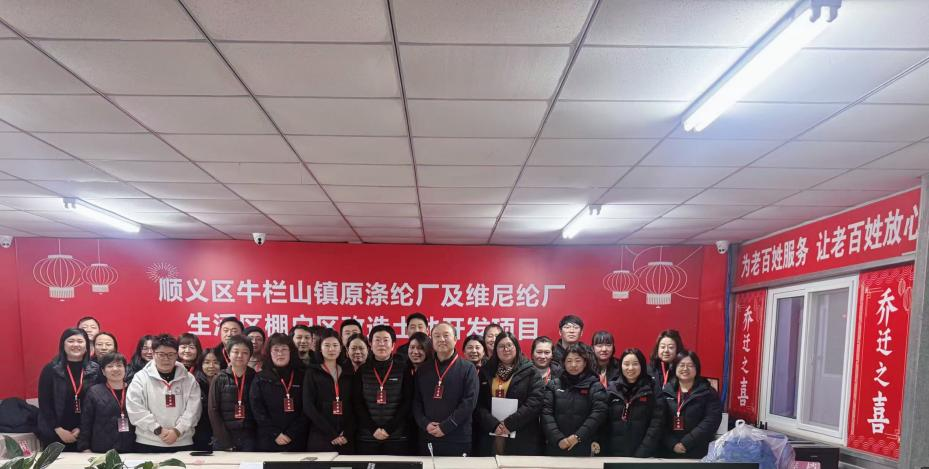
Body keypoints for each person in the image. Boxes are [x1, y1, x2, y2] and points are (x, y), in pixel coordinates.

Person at [412, 322, 479, 456]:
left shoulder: (468, 368)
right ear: (432, 341)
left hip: (458, 438)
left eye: (446, 335)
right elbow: (416, 402)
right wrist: (425, 424)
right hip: (428, 436)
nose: (441, 339)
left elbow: (469, 402)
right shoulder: (423, 369)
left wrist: (446, 426)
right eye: (437, 336)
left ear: (455, 339)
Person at [126, 334, 201, 453]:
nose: (166, 359)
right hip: (148, 442)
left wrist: (177, 431)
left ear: (177, 354)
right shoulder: (140, 378)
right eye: (161, 354)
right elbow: (135, 409)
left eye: (171, 354)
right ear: (153, 353)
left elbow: (194, 410)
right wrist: (158, 430)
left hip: (182, 442)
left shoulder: (189, 379)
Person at [475, 331, 544, 456]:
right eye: (501, 346)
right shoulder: (486, 371)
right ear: (496, 350)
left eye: (509, 345)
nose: (506, 349)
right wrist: (493, 424)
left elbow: (535, 402)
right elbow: (478, 403)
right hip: (491, 433)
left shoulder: (531, 371)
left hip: (521, 434)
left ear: (516, 347)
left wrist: (509, 424)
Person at [352, 325, 414, 455]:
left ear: (393, 345)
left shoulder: (403, 369)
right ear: (370, 344)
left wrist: (389, 429)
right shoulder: (362, 370)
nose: (381, 344)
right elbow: (357, 403)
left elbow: (407, 402)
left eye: (386, 340)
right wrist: (373, 429)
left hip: (397, 437)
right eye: (377, 340)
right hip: (367, 438)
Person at [37, 328, 100, 451]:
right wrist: (58, 429)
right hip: (55, 432)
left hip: (87, 432)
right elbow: (45, 403)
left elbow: (98, 404)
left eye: (80, 341)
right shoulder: (51, 369)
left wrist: (81, 428)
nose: (75, 344)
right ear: (63, 345)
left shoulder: (95, 370)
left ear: (87, 346)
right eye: (71, 341)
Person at [541, 342, 607, 457]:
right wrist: (558, 439)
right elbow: (546, 413)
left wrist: (578, 437)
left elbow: (598, 413)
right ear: (564, 363)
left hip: (585, 446)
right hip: (555, 446)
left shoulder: (595, 386)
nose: (573, 365)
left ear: (585, 362)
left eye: (578, 360)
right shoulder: (553, 385)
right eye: (569, 361)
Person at [250, 333, 307, 452]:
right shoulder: (260, 377)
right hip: (268, 439)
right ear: (269, 353)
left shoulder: (302, 376)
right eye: (275, 350)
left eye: (284, 349)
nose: (280, 354)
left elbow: (307, 408)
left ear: (291, 351)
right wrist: (275, 433)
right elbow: (257, 410)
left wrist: (291, 433)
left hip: (298, 438)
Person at [660, 351, 721, 459]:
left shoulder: (708, 392)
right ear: (675, 367)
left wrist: (687, 442)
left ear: (697, 368)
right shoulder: (665, 391)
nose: (685, 369)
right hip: (668, 452)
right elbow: (658, 421)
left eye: (690, 365)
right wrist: (672, 444)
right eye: (681, 365)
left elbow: (711, 420)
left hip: (699, 452)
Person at [303, 329, 355, 453]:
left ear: (341, 348)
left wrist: (347, 432)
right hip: (321, 436)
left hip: (345, 437)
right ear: (320, 348)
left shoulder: (348, 372)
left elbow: (354, 405)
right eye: (327, 345)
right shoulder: (312, 372)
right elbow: (308, 406)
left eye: (335, 345)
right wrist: (331, 433)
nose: (331, 349)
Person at [606, 348, 663, 457]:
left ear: (642, 365)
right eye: (626, 364)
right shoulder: (612, 389)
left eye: (635, 364)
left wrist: (642, 452)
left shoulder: (653, 387)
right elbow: (605, 423)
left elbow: (657, 422)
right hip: (614, 455)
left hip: (644, 455)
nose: (630, 368)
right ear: (620, 366)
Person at [77, 352, 135, 453]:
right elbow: (86, 422)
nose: (115, 369)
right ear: (103, 371)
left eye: (119, 365)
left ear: (125, 369)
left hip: (132, 449)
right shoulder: (94, 392)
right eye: (110, 366)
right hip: (102, 450)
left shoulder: (134, 391)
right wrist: (84, 447)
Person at [208, 335, 257, 451]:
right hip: (223, 439)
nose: (240, 356)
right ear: (228, 354)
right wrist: (225, 441)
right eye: (236, 352)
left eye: (245, 352)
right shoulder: (219, 378)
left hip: (250, 439)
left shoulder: (256, 378)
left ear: (250, 355)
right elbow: (213, 410)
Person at [193, 349, 221, 451]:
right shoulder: (194, 383)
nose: (211, 366)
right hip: (199, 432)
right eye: (207, 362)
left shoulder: (225, 382)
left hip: (221, 432)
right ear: (201, 364)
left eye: (215, 362)